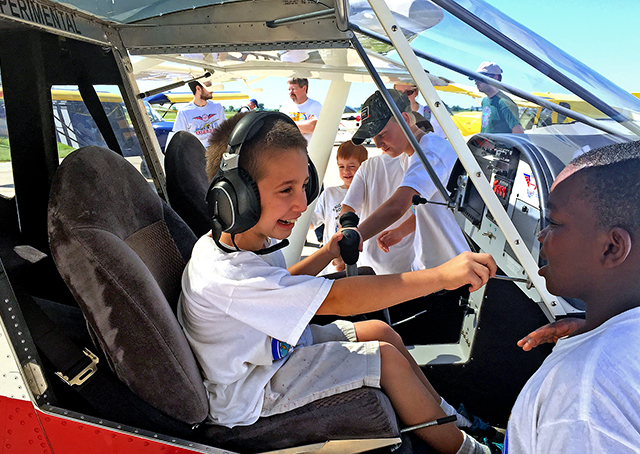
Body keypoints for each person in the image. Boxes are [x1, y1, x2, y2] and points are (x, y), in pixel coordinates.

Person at [181, 111, 501, 454]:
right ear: (237, 196)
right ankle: (472, 451)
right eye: (286, 189)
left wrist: (325, 252)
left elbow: (279, 286)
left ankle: (452, 420)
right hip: (249, 392)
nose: (302, 203)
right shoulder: (228, 274)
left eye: (304, 186)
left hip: (268, 352)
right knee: (386, 360)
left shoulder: (244, 242)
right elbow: (339, 299)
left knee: (379, 331)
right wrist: (440, 276)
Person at [505, 141, 640, 453]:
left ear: (612, 247)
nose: (540, 236)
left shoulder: (582, 398)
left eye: (553, 223)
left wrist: (594, 350)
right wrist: (593, 328)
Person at [346, 89, 469, 271]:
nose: (378, 144)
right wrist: (400, 231)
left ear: (405, 119)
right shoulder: (408, 155)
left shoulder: (431, 152)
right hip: (426, 265)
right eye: (373, 137)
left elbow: (397, 206)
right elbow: (430, 206)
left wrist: (355, 237)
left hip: (451, 267)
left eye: (382, 134)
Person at [341, 151, 416, 275]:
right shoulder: (419, 165)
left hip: (368, 259)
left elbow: (347, 208)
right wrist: (400, 231)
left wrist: (348, 237)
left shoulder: (368, 165)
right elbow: (427, 212)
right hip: (408, 262)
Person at [309, 141, 368, 275]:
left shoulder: (370, 193)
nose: (346, 171)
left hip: (361, 262)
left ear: (364, 166)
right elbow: (312, 223)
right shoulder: (329, 194)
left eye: (351, 166)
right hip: (333, 264)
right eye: (341, 166)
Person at [471, 62, 524, 134]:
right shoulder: (484, 101)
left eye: (479, 79)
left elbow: (519, 133)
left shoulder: (505, 103)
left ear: (495, 78)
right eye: (475, 79)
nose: (476, 83)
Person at [172, 80, 226, 147]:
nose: (212, 90)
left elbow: (224, 131)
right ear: (198, 88)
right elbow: (179, 139)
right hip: (196, 155)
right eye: (209, 86)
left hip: (216, 153)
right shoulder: (184, 112)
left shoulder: (217, 107)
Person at [279, 77, 322, 143]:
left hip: (307, 151)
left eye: (293, 89)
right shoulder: (285, 107)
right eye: (289, 89)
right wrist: (304, 124)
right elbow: (279, 128)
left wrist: (287, 125)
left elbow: (311, 127)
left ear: (304, 88)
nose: (290, 92)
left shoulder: (315, 105)